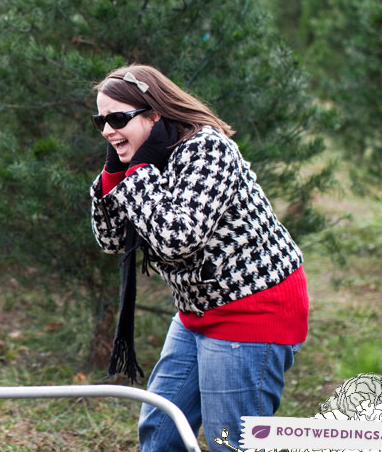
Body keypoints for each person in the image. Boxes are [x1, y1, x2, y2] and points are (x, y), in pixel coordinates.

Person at [89, 64, 308, 452]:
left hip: (252, 308)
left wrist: (136, 174)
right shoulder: (143, 157)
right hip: (198, 310)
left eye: (118, 118)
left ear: (154, 113)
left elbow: (178, 239)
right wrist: (112, 176)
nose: (107, 130)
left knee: (231, 442)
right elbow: (111, 240)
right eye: (101, 121)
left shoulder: (206, 148)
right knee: (161, 432)